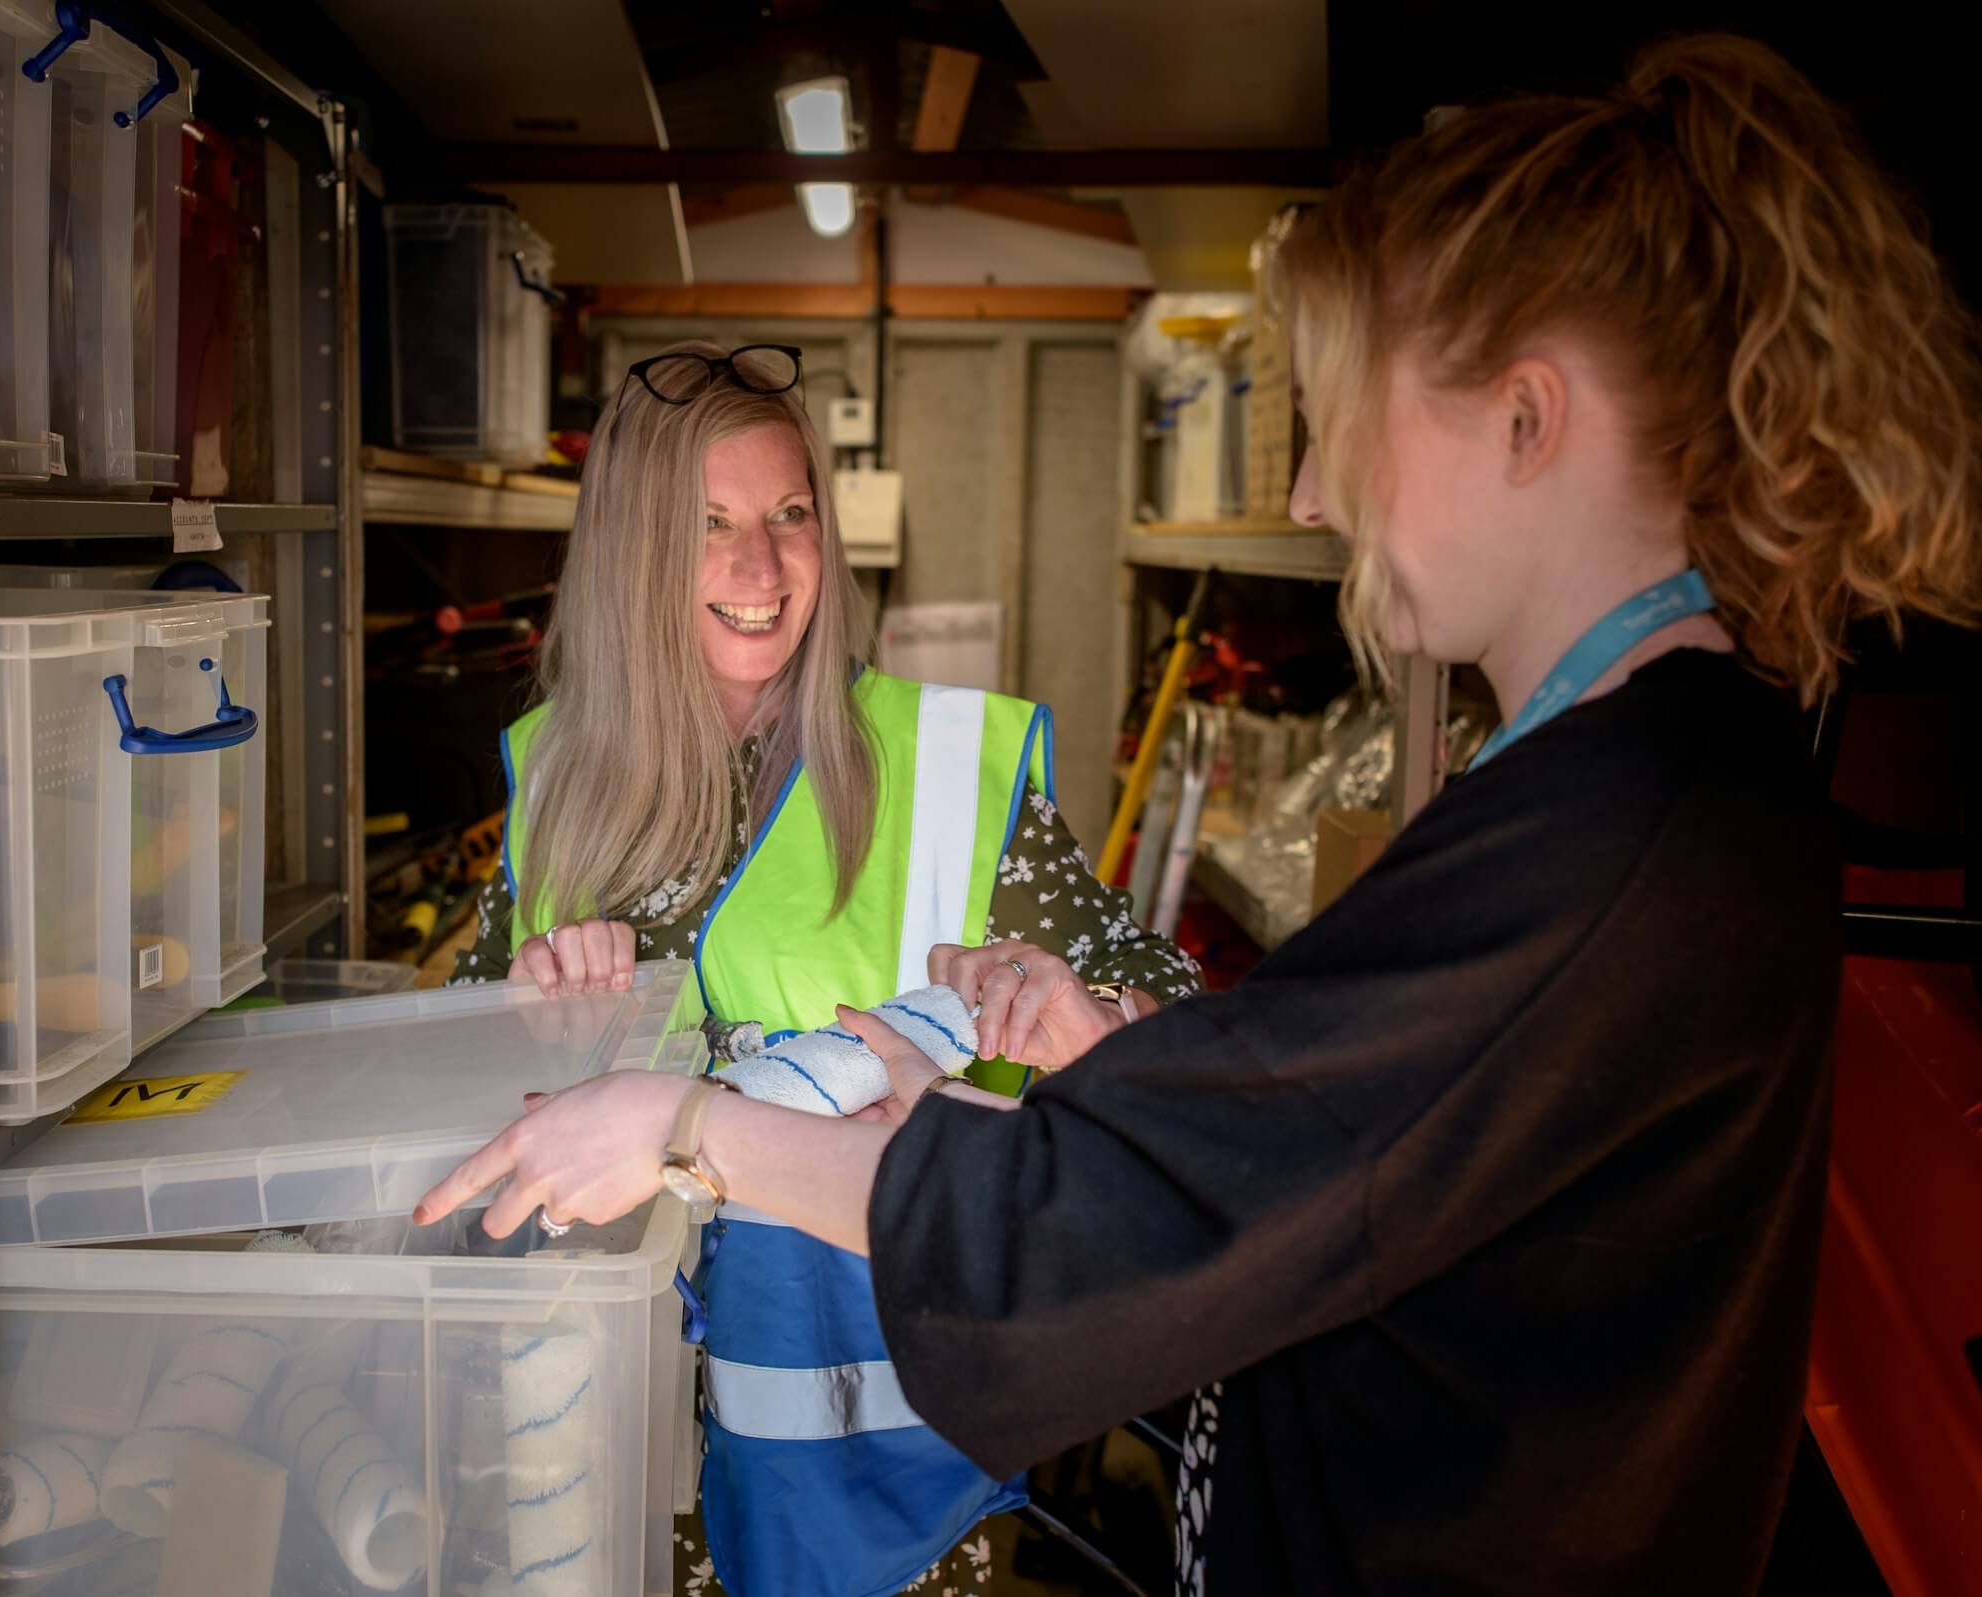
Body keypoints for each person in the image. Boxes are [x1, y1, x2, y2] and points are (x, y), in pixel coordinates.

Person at [420, 35, 1982, 1596]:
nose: (1310, 495)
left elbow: (1112, 1225)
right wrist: (1104, 1059)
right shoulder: (1630, 803)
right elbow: (1300, 1153)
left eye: (1346, 415)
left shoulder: (1618, 843)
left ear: (1522, 420)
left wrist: (689, 1126)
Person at [447, 337, 1205, 1597]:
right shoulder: (557, 780)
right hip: (605, 1438)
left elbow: (1172, 1025)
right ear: (637, 552)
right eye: (711, 525)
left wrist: (1085, 1014)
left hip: (879, 1449)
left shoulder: (945, 764)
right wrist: (524, 1015)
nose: (761, 567)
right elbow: (458, 1100)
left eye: (791, 514)